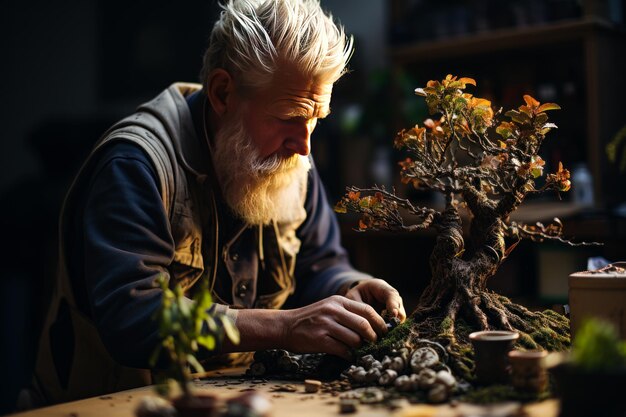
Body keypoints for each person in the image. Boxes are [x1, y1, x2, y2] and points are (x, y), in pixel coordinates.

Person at [26, 0, 406, 407]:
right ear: (223, 92)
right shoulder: (135, 165)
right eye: (290, 115)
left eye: (316, 116)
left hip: (232, 401)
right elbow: (130, 318)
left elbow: (319, 263)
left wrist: (348, 288)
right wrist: (284, 327)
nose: (305, 144)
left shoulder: (290, 155)